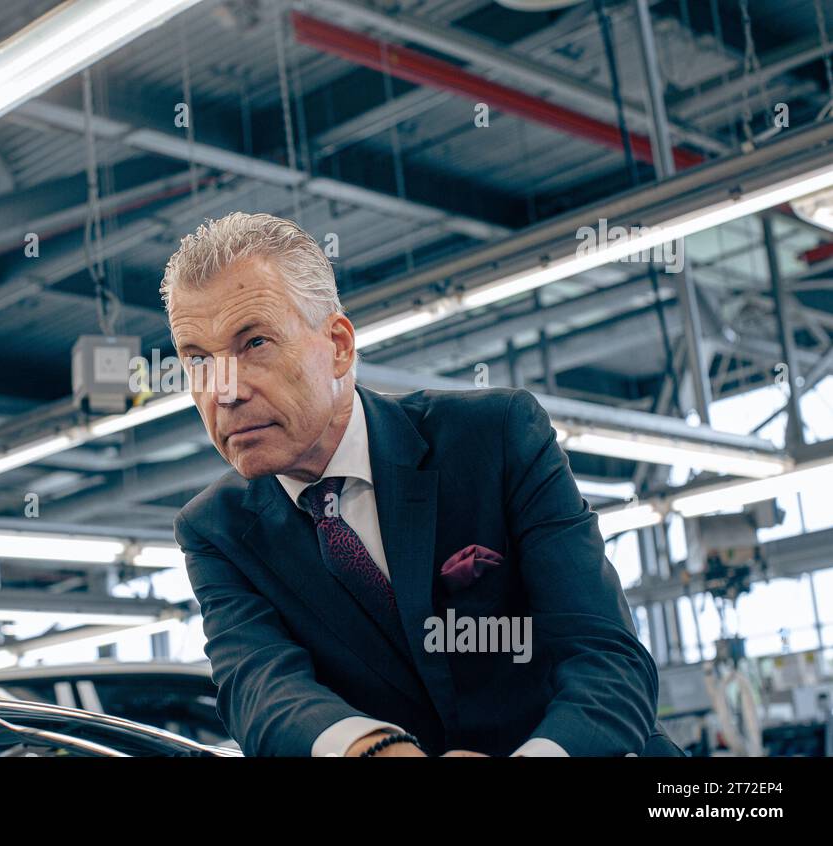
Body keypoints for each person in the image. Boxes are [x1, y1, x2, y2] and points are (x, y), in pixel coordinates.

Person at [161, 211, 680, 757]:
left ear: (338, 346)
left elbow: (602, 653)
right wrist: (376, 752)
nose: (224, 392)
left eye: (256, 343)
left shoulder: (496, 437)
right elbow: (260, 686)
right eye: (198, 361)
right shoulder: (215, 530)